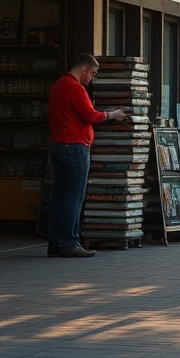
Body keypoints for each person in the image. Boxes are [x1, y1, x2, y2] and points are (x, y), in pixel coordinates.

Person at [46, 53, 127, 258]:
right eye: (93, 73)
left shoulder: (58, 86)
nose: (92, 78)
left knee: (59, 196)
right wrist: (112, 115)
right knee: (75, 196)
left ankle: (56, 242)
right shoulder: (75, 87)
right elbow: (90, 115)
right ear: (84, 69)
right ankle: (71, 242)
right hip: (75, 147)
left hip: (58, 146)